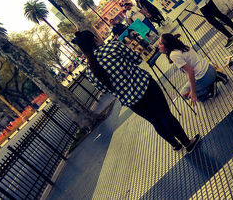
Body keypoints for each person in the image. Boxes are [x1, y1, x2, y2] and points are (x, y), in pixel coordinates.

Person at [71, 30, 201, 152]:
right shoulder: (113, 47)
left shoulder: (89, 71)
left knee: (155, 122)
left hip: (132, 101)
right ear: (95, 39)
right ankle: (187, 143)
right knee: (165, 115)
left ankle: (175, 145)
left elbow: (105, 90)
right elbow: (138, 60)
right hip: (146, 86)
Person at [158, 33, 228, 105]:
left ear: (167, 45)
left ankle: (211, 88)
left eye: (160, 43)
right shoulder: (181, 46)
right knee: (187, 90)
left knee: (185, 95)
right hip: (210, 68)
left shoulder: (173, 55)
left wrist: (193, 92)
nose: (158, 45)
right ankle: (216, 76)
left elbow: (191, 72)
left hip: (204, 76)